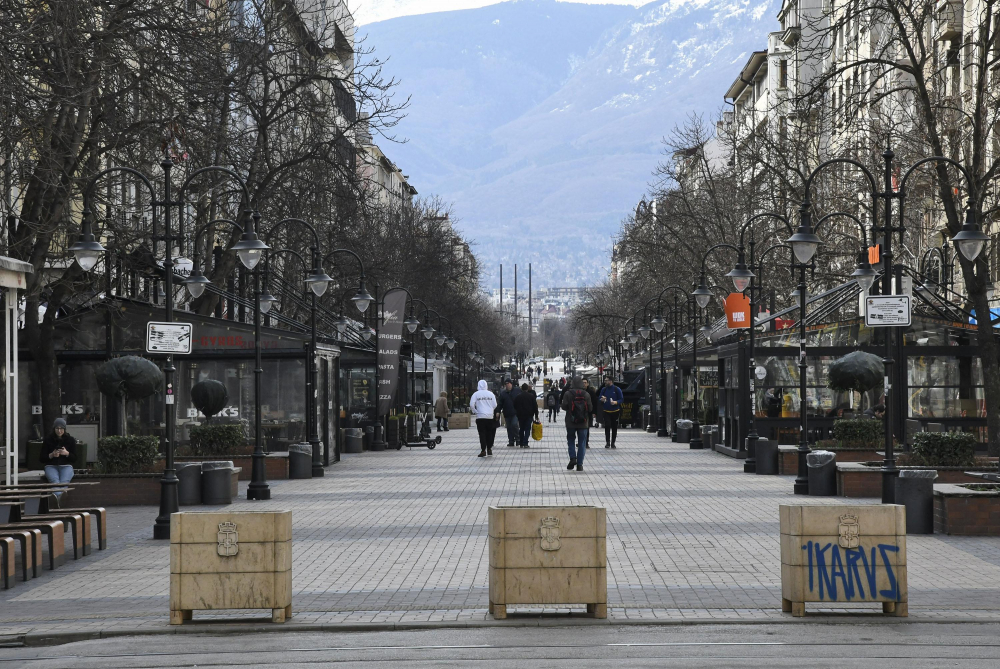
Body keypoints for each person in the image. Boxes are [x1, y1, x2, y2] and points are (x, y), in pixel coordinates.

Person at [562, 377, 593, 471]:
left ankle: (573, 458)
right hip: (583, 422)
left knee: (571, 440)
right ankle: (580, 465)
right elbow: (590, 408)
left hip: (570, 421)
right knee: (582, 443)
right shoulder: (586, 394)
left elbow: (563, 406)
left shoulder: (568, 393)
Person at [41, 418, 77, 498]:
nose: (59, 431)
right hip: (51, 466)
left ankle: (57, 500)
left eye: (61, 428)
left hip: (66, 466)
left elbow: (74, 458)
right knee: (55, 482)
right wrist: (52, 455)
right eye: (57, 428)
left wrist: (67, 453)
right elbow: (41, 458)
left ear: (64, 429)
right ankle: (61, 500)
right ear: (54, 429)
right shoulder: (48, 440)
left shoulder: (70, 440)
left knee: (64, 483)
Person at [470, 380, 498, 457]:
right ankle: (489, 448)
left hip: (480, 417)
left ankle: (483, 450)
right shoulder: (491, 394)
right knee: (489, 433)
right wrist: (490, 410)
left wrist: (475, 411)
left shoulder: (476, 394)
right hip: (489, 416)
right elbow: (495, 404)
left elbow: (471, 404)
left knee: (482, 433)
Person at [597, 376, 624, 448]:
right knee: (607, 425)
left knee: (614, 427)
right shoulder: (604, 389)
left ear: (611, 381)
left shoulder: (617, 389)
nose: (605, 382)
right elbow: (599, 397)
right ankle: (607, 442)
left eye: (606, 380)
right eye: (605, 380)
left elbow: (621, 399)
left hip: (615, 411)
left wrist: (615, 402)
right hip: (606, 411)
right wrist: (602, 399)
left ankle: (613, 442)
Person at [497, 379, 522, 447]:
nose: (507, 385)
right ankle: (511, 441)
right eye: (506, 384)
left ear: (511, 384)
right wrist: (498, 411)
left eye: (508, 384)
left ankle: (518, 439)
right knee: (509, 427)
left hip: (515, 412)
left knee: (514, 425)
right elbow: (500, 403)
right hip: (507, 413)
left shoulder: (517, 390)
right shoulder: (503, 393)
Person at [513, 383, 539, 448]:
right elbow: (535, 406)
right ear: (527, 389)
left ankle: (521, 442)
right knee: (527, 429)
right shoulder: (531, 396)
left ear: (522, 388)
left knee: (521, 428)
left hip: (520, 415)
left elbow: (514, 405)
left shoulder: (518, 396)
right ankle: (525, 443)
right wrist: (536, 415)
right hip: (529, 415)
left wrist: (517, 412)